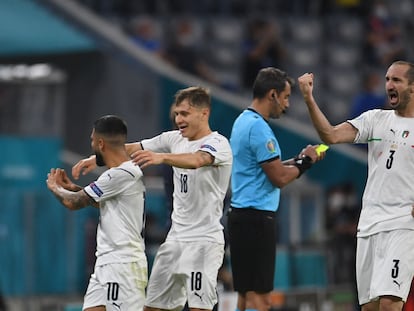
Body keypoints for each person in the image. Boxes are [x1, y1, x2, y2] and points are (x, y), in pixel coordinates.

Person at [72, 86, 233, 311]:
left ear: (204, 113)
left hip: (203, 242)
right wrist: (97, 159)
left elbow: (198, 160)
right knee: (153, 306)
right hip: (175, 240)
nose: (178, 119)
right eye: (177, 113)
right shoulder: (173, 138)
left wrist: (161, 157)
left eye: (184, 113)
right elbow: (130, 148)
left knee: (199, 308)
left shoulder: (218, 144)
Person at [298, 60, 414, 311]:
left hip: (403, 226)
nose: (389, 85)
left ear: (412, 88)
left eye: (396, 80)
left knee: (390, 305)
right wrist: (309, 98)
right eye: (386, 80)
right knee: (369, 308)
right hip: (369, 224)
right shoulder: (375, 119)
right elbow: (330, 135)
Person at [228, 67, 324, 311]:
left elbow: (266, 168)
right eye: (286, 97)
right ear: (272, 94)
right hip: (257, 219)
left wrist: (297, 159)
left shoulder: (243, 121)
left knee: (246, 295)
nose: (287, 104)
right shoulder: (259, 128)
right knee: (261, 299)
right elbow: (279, 178)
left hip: (242, 217)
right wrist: (306, 163)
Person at [47, 115, 147, 311]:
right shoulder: (121, 173)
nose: (91, 145)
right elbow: (100, 203)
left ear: (101, 143)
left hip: (123, 266)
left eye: (92, 140)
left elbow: (72, 204)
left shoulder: (120, 174)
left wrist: (54, 187)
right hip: (105, 264)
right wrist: (74, 188)